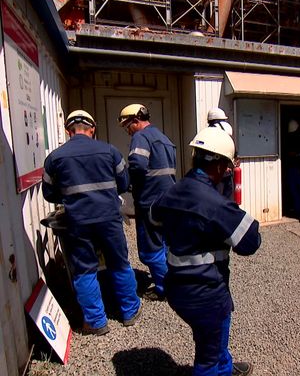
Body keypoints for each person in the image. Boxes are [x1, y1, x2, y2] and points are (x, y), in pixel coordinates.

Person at [149, 127, 260, 376]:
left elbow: (153, 218)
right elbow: (250, 242)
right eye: (227, 167)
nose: (228, 172)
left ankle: (227, 367)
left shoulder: (171, 192)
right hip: (206, 295)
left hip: (177, 289)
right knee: (207, 357)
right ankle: (218, 368)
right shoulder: (215, 204)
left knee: (213, 338)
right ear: (219, 165)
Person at [42, 110, 141, 336]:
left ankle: (96, 322)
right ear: (92, 128)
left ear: (69, 131)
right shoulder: (110, 151)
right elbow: (124, 183)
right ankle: (129, 312)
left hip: (78, 221)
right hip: (109, 218)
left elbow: (49, 192)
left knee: (84, 269)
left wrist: (69, 196)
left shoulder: (55, 158)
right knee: (119, 263)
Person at [119, 104, 176, 301]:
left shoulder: (140, 137)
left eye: (128, 126)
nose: (128, 131)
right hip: (168, 201)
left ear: (136, 121)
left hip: (149, 203)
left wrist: (126, 183)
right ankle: (175, 281)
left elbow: (137, 165)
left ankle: (166, 289)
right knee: (167, 244)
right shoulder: (165, 138)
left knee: (150, 250)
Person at [207, 107, 235, 199]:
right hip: (220, 175)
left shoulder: (207, 134)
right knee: (223, 199)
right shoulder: (214, 134)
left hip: (221, 173)